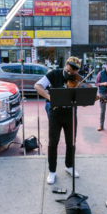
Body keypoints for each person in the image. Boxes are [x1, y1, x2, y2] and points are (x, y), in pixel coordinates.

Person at [35, 57, 81, 185]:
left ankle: (69, 166)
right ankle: (52, 170)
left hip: (71, 113)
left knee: (71, 142)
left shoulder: (77, 78)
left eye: (74, 73)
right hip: (55, 113)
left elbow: (82, 98)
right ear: (65, 65)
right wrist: (50, 98)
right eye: (69, 72)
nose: (71, 75)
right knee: (53, 143)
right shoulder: (53, 74)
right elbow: (37, 86)